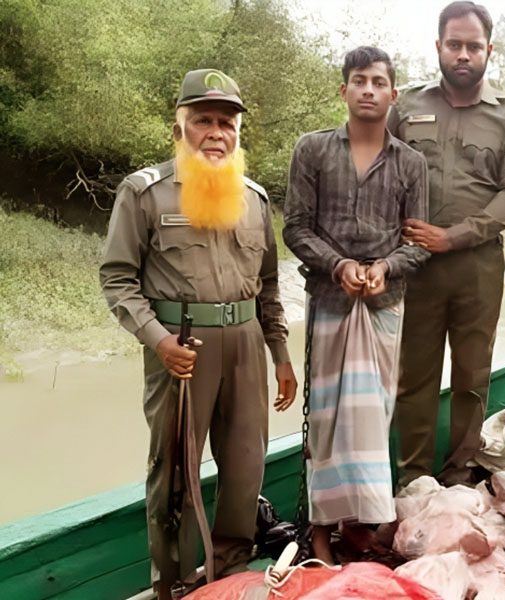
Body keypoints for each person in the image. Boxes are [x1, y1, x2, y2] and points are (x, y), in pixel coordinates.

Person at [100, 68, 297, 599]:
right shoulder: (145, 193)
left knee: (245, 468)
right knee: (175, 478)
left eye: (227, 122)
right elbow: (117, 278)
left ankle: (229, 575)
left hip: (246, 348)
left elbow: (270, 286)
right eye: (203, 120)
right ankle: (171, 583)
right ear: (179, 127)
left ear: (238, 132)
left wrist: (280, 355)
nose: (217, 132)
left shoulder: (254, 199)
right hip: (181, 349)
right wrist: (159, 341)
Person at [282, 46, 430, 564]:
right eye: (359, 80)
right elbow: (295, 228)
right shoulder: (313, 150)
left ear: (393, 93)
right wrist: (339, 266)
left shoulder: (411, 162)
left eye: (378, 82)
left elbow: (416, 243)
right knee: (326, 418)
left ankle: (361, 523)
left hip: (385, 303)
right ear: (342, 90)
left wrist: (384, 266)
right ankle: (321, 531)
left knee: (371, 418)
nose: (368, 89)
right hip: (329, 299)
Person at [389, 0, 505, 487]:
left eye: (474, 46)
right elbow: (379, 171)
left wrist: (454, 236)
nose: (464, 54)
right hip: (415, 265)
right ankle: (412, 477)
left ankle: (461, 474)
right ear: (439, 47)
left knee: (472, 376)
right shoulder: (406, 105)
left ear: (489, 50)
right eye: (455, 45)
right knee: (415, 377)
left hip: (477, 265)